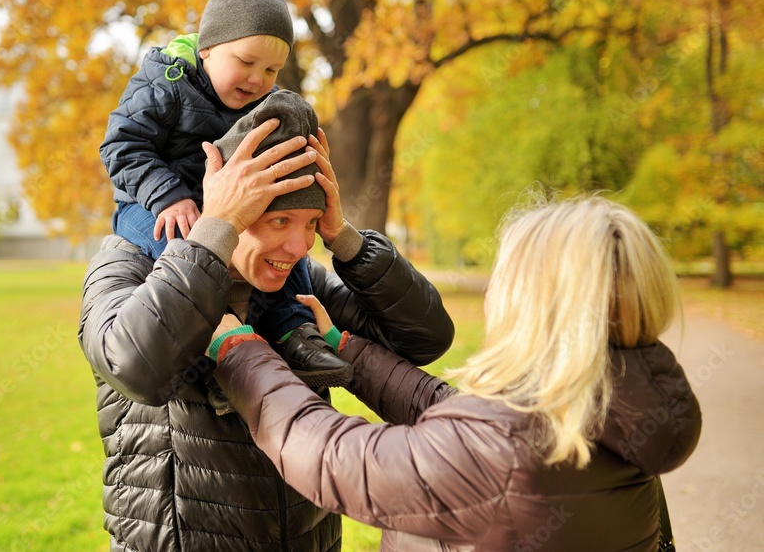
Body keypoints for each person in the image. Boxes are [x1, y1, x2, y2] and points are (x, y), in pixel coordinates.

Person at [213, 196, 703, 551]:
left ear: (537, 304)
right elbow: (461, 418)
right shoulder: (617, 407)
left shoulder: (500, 456)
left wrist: (242, 352)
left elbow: (332, 456)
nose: (492, 292)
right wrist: (350, 352)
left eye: (504, 276)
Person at [78, 92, 455, 551]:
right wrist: (214, 229)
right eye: (279, 220)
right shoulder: (128, 265)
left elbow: (426, 338)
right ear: (231, 206)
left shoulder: (299, 281)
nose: (299, 246)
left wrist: (345, 239)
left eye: (311, 222)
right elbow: (136, 368)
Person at [98, 0, 338, 383]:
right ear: (207, 47)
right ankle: (219, 336)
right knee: (185, 243)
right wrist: (168, 196)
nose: (257, 79)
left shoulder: (261, 102)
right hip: (150, 204)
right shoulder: (166, 82)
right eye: (245, 62)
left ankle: (293, 330)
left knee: (290, 240)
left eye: (271, 69)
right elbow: (122, 145)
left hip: (221, 206)